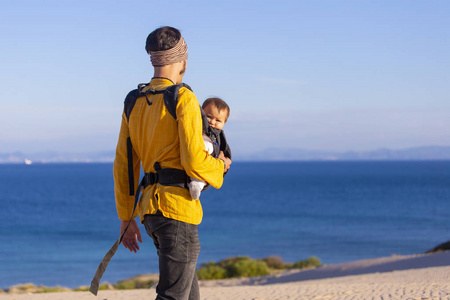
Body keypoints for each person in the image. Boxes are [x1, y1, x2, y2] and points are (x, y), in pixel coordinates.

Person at [113, 26, 231, 300]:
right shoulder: (184, 98)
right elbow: (193, 161)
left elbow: (124, 164)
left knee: (188, 297)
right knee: (173, 296)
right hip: (177, 209)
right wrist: (220, 168)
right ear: (183, 62)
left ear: (153, 59)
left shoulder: (134, 100)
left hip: (149, 212)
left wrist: (125, 217)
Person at [188, 97, 230, 199]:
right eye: (209, 117)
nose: (212, 122)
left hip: (208, 163)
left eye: (218, 120)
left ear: (224, 123)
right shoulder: (197, 127)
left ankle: (198, 184)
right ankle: (196, 183)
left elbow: (226, 154)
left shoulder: (219, 136)